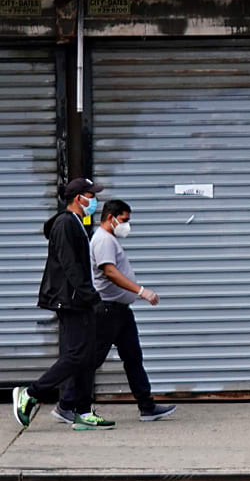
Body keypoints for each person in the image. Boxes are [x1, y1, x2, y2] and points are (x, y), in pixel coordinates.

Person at [11, 177, 115, 432]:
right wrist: (92, 298)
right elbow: (71, 267)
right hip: (70, 300)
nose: (94, 200)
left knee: (86, 356)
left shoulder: (77, 222)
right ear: (78, 198)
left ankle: (82, 411)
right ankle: (31, 394)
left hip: (76, 299)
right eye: (91, 195)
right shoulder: (66, 224)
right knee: (77, 354)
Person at [64, 200, 175, 423]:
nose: (127, 225)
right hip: (107, 311)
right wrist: (141, 291)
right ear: (111, 217)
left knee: (133, 357)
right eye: (124, 220)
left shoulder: (109, 239)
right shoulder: (104, 240)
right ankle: (66, 404)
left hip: (120, 311)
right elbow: (110, 272)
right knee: (90, 360)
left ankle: (147, 406)